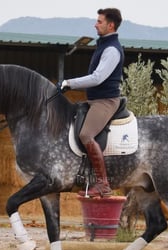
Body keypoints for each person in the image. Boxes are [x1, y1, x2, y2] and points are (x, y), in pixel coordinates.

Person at [60, 8, 124, 198]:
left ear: (110, 25)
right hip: (94, 100)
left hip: (106, 101)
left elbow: (97, 78)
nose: (95, 24)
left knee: (86, 134)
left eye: (99, 21)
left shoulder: (112, 49)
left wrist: (69, 83)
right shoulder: (103, 46)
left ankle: (103, 184)